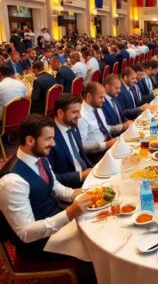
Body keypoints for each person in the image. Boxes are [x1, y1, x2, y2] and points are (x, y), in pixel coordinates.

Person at [0, 115, 93, 270]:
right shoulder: (11, 182)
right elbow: (26, 233)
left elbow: (55, 186)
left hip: (56, 219)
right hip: (37, 243)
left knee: (96, 223)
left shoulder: (40, 157)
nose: (54, 144)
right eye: (48, 139)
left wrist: (77, 193)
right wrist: (69, 214)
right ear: (30, 140)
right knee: (92, 246)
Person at [48, 95, 93, 188]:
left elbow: (81, 156)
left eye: (79, 111)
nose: (79, 116)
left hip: (88, 176)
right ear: (60, 113)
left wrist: (92, 169)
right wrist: (81, 176)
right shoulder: (49, 138)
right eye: (75, 112)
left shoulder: (72, 126)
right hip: (71, 186)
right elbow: (50, 178)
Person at [77, 82, 122, 161]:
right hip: (97, 156)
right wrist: (105, 145)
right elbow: (82, 146)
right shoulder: (81, 116)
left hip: (108, 146)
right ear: (89, 97)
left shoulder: (97, 108)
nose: (104, 100)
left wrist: (122, 127)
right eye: (101, 97)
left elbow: (105, 128)